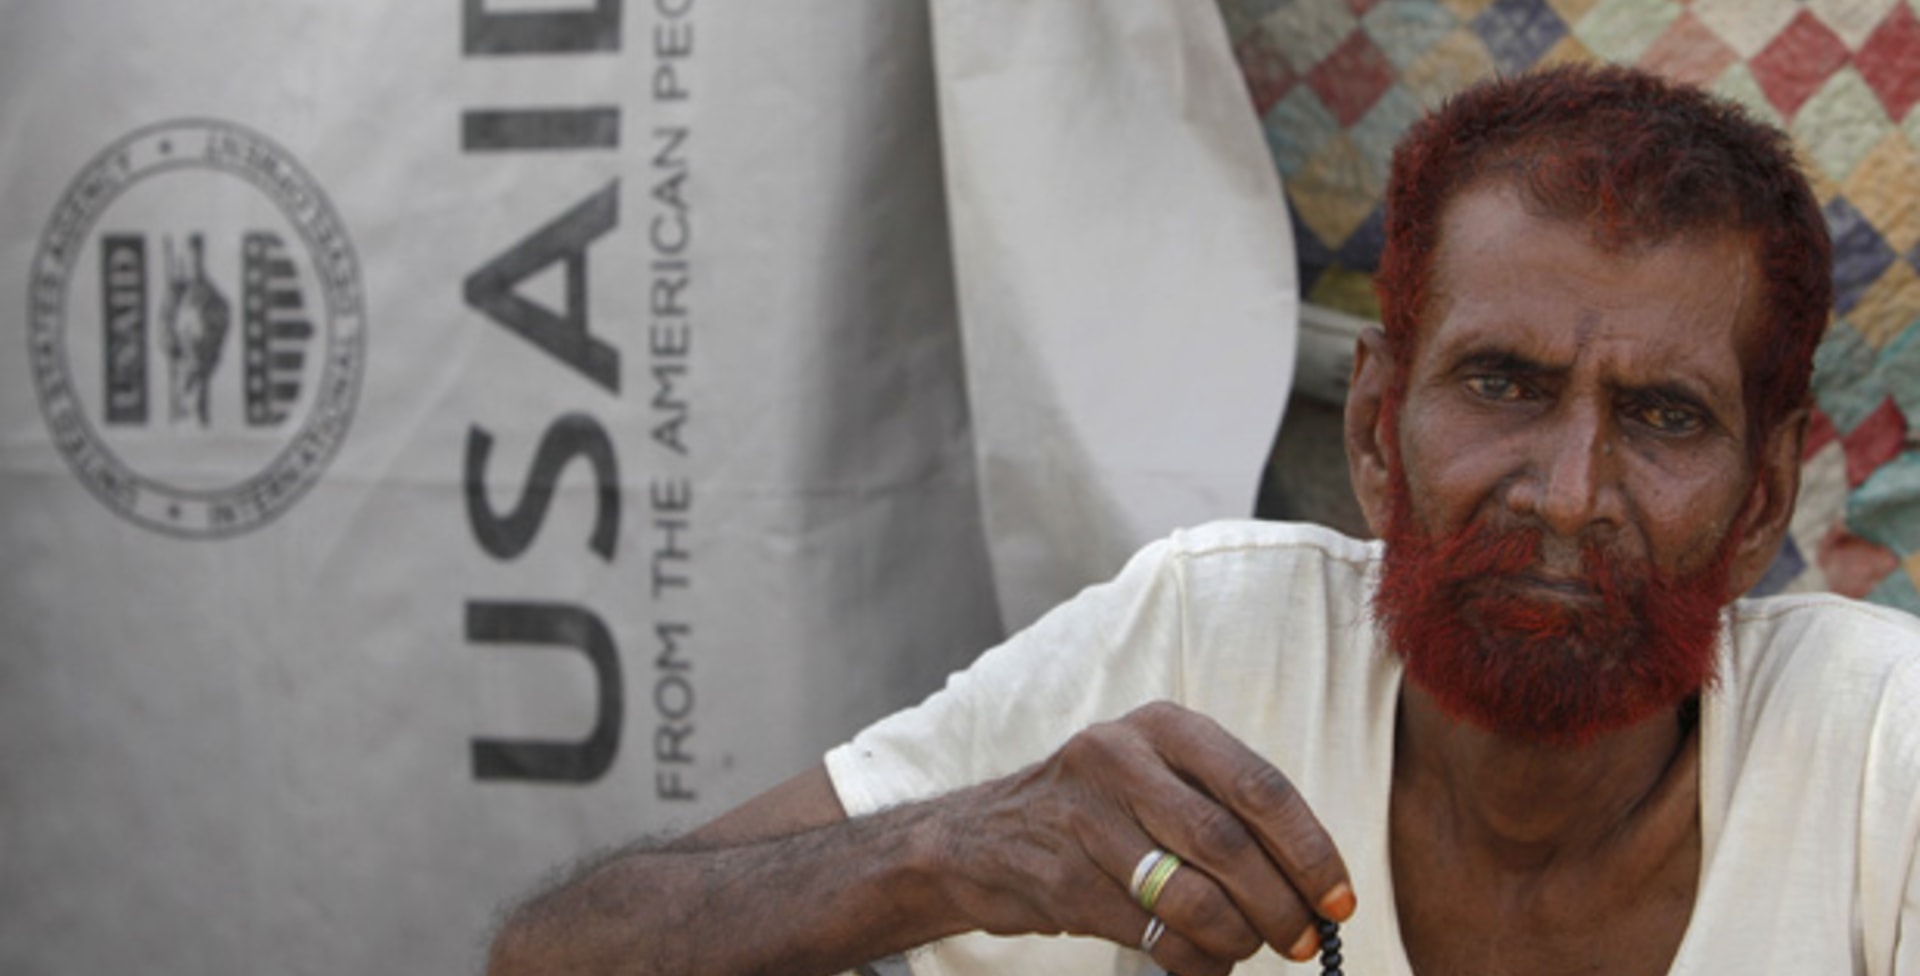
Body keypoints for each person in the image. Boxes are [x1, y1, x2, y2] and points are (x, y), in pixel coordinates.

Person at [485, 64, 1920, 976]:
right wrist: (960, 849)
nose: (1566, 493)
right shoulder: (1205, 638)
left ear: (1764, 505)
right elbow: (551, 963)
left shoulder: (1877, 757)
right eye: (1504, 385)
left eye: (1664, 418)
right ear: (1373, 430)